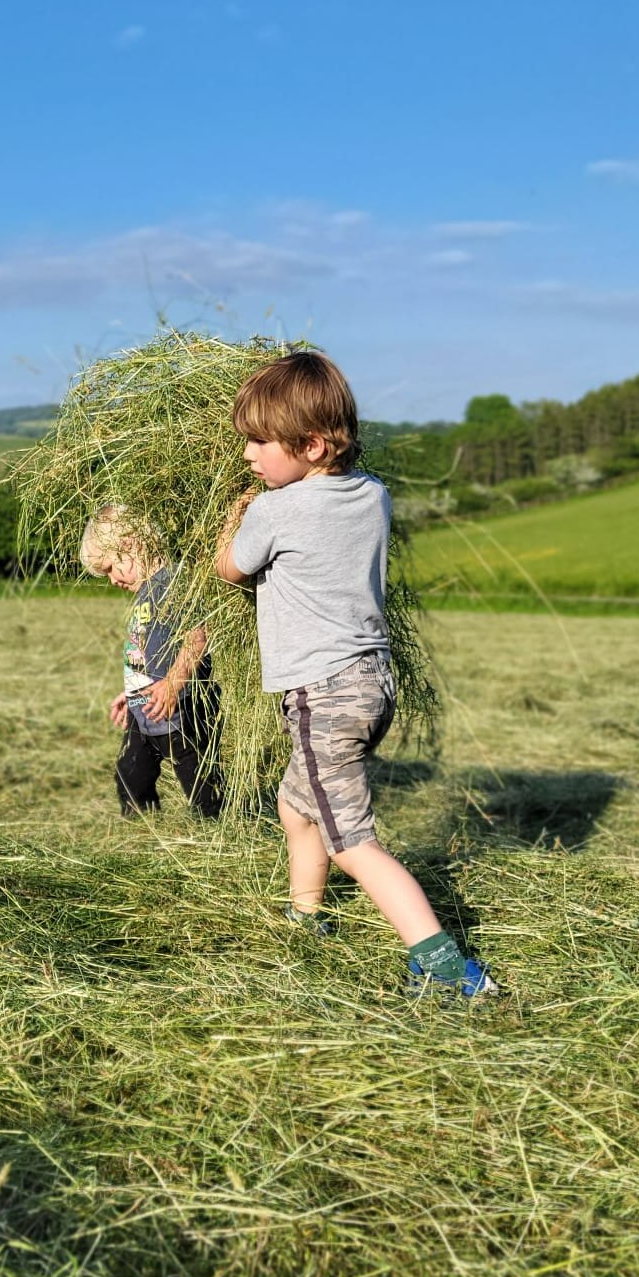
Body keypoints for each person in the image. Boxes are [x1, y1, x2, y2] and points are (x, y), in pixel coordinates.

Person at [215, 350, 497, 1000]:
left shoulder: (275, 510)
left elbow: (231, 569)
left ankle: (445, 965)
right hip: (374, 682)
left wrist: (235, 521)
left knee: (351, 841)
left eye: (260, 442)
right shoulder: (374, 494)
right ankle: (305, 916)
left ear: (311, 445)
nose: (250, 456)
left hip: (321, 695)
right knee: (295, 806)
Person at [81, 505, 224, 821]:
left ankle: (215, 826)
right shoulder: (145, 593)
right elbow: (144, 648)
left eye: (109, 569)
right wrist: (130, 689)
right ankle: (142, 827)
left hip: (180, 707)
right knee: (129, 773)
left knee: (199, 775)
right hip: (143, 707)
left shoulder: (172, 582)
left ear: (130, 544)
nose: (111, 580)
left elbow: (198, 635)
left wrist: (174, 683)